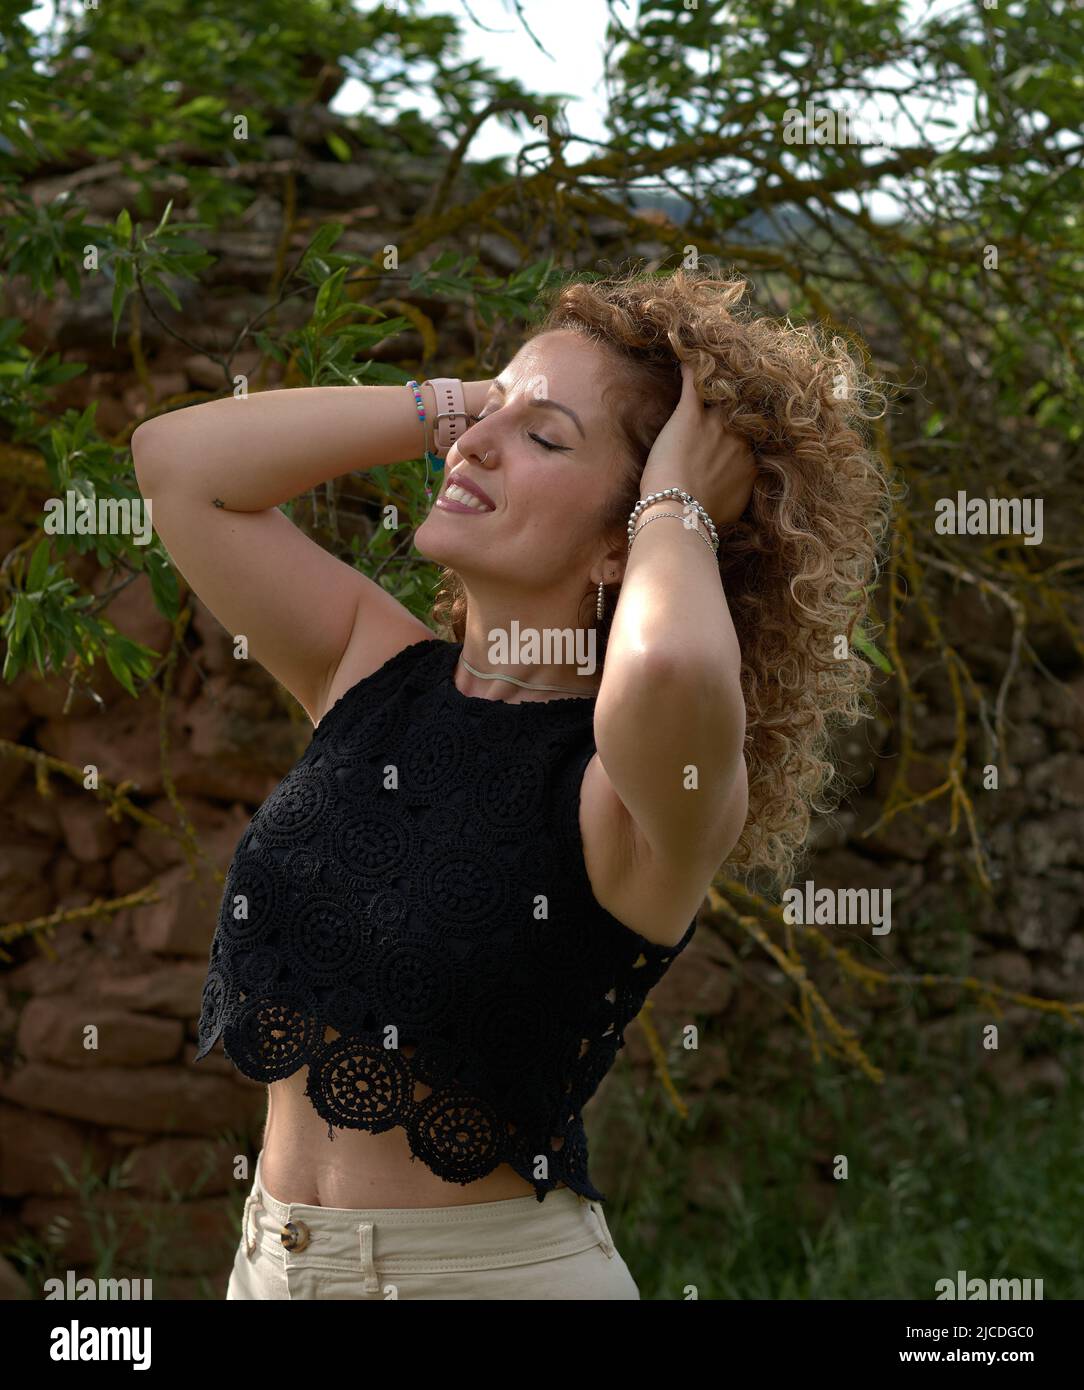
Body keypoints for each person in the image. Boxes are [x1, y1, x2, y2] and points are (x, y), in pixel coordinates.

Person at [131, 266, 891, 1299]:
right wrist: (471, 403)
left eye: (546, 440)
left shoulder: (632, 789)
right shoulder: (369, 669)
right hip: (271, 1267)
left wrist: (677, 497)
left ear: (622, 541)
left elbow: (663, 664)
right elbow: (178, 464)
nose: (475, 446)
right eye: (491, 411)